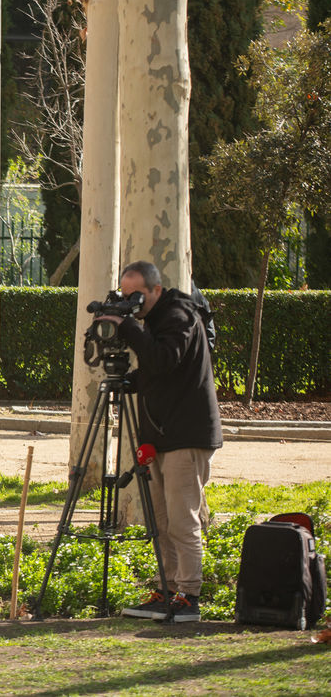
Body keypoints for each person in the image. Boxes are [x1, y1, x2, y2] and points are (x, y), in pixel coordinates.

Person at [108, 261, 223, 623]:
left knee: (181, 519)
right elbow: (161, 373)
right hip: (161, 434)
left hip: (185, 436)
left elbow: (163, 360)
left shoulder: (179, 315)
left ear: (155, 290)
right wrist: (131, 382)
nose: (132, 304)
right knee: (160, 518)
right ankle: (167, 589)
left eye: (136, 296)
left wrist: (126, 327)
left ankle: (189, 595)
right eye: (125, 297)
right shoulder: (155, 321)